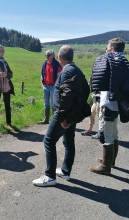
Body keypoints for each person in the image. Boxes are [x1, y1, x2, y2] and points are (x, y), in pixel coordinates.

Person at [33, 45, 91, 187]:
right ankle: (65, 171)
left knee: (48, 141)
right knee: (69, 141)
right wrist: (73, 118)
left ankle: (50, 176)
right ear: (72, 56)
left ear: (59, 58)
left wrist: (64, 119)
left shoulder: (66, 72)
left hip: (64, 114)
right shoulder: (77, 71)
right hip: (73, 113)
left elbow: (65, 97)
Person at [89, 38, 129, 175]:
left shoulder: (111, 59)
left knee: (106, 133)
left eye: (107, 47)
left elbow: (100, 79)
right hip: (117, 101)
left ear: (111, 49)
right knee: (113, 132)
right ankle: (110, 160)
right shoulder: (123, 60)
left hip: (109, 101)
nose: (106, 50)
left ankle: (106, 166)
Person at [39, 49, 62, 124]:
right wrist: (43, 84)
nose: (47, 57)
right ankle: (46, 119)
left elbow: (59, 77)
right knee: (46, 104)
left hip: (53, 87)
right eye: (46, 55)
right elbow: (42, 74)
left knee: (53, 105)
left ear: (52, 56)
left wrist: (56, 86)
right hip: (46, 86)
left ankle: (54, 120)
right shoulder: (45, 63)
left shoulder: (57, 64)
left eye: (48, 55)